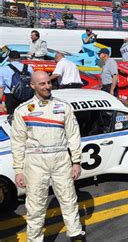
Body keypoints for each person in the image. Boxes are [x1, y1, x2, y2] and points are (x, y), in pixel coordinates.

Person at [11, 71, 85, 241]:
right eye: (42, 84)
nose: (47, 86)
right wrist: (18, 170)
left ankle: (76, 234)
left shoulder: (63, 106)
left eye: (48, 83)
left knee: (69, 200)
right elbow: (18, 142)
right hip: (35, 161)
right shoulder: (22, 111)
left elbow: (73, 135)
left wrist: (76, 161)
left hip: (61, 158)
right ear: (33, 86)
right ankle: (35, 239)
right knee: (35, 206)